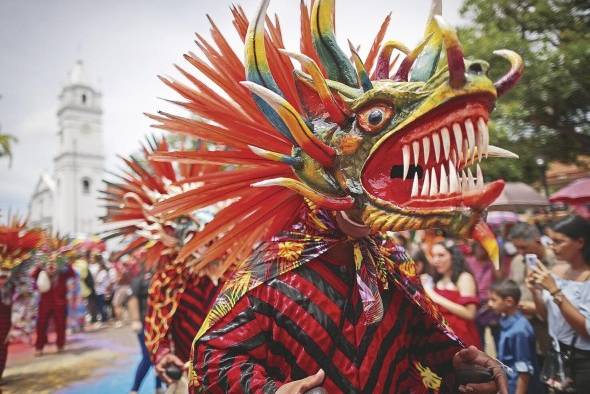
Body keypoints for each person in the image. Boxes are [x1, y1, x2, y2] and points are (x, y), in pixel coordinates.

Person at [527, 215, 590, 390]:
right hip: (558, 353)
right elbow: (545, 316)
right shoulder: (556, 271)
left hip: (583, 361)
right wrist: (535, 291)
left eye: (559, 241)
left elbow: (586, 331)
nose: (552, 247)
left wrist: (555, 291)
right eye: (551, 241)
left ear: (580, 242)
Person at [425, 240, 482, 348]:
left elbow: (470, 313)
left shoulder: (464, 277)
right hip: (439, 337)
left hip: (461, 338)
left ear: (453, 256)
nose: (436, 260)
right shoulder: (437, 279)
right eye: (433, 256)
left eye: (441, 255)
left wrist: (436, 297)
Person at [489, 279, 540, 394]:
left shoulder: (519, 330)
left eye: (493, 300)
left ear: (509, 302)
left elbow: (524, 370)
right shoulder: (505, 321)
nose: (490, 304)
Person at [31, 257, 76, 356]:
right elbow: (32, 275)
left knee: (60, 325)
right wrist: (39, 265)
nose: (51, 266)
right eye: (49, 264)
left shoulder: (62, 272)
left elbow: (72, 274)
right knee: (41, 326)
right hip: (44, 304)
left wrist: (66, 262)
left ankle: (60, 345)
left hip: (60, 304)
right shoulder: (41, 272)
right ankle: (39, 348)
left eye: (54, 264)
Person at [129, 268, 163, 394]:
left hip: (160, 324)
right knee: (148, 356)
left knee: (160, 355)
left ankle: (159, 387)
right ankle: (134, 389)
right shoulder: (140, 278)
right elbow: (133, 299)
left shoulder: (163, 274)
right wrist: (135, 319)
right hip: (145, 323)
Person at [465, 241, 501, 351]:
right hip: (476, 307)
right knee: (478, 341)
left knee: (498, 338)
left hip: (492, 306)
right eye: (479, 247)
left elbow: (500, 279)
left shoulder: (493, 264)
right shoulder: (468, 262)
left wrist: (494, 259)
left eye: (484, 248)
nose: (482, 250)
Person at [0, 269, 13, 381]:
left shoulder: (11, 289)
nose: (1, 280)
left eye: (3, 278)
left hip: (4, 323)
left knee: (2, 348)